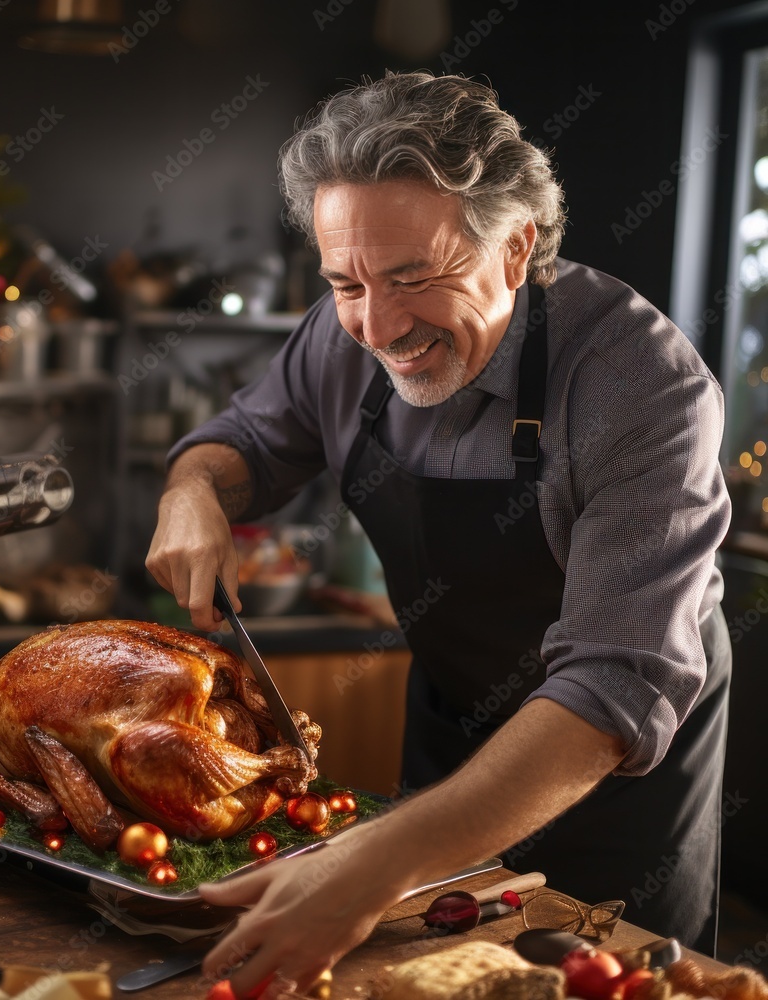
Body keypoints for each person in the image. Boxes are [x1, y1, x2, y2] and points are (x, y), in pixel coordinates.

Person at [145, 71, 731, 996]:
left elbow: (615, 685)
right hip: (453, 734)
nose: (378, 326)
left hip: (611, 776)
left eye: (416, 277)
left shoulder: (642, 385)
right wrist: (192, 489)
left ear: (516, 247)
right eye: (348, 283)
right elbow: (242, 443)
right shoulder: (343, 335)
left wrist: (376, 864)